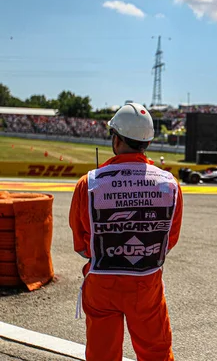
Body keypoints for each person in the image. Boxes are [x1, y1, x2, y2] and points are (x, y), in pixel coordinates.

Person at [69, 103, 183, 361]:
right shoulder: (169, 184)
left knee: (101, 354)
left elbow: (80, 242)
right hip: (146, 280)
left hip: (102, 278)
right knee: (156, 352)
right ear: (148, 142)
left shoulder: (89, 182)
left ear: (117, 139)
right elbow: (169, 239)